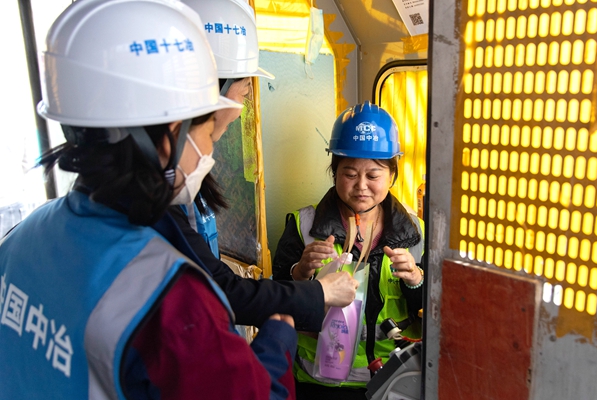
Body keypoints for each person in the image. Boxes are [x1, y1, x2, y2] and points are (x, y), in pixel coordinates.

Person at [0, 0, 297, 398]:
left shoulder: (21, 238)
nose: (210, 149)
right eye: (208, 131)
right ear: (173, 132)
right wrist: (277, 344)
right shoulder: (172, 303)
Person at [167, 0, 358, 331]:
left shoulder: (176, 186)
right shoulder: (158, 205)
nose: (242, 108)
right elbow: (220, 290)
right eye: (244, 92)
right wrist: (311, 300)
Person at [272, 101, 425, 400]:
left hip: (397, 378)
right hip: (321, 384)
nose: (361, 186)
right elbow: (276, 302)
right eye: (350, 174)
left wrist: (416, 281)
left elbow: (439, 310)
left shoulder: (416, 231)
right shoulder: (303, 225)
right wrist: (300, 274)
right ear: (334, 172)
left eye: (373, 175)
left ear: (392, 175)